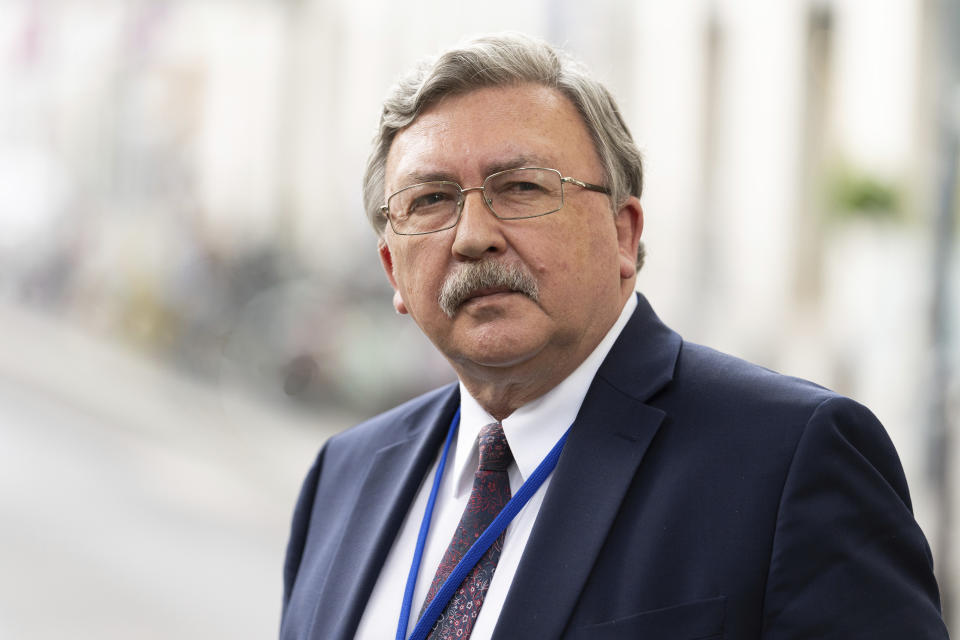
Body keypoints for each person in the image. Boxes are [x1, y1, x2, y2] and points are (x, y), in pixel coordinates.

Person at [280, 33, 949, 640]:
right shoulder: (345, 475)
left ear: (624, 234)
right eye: (430, 201)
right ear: (393, 268)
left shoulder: (788, 461)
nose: (474, 235)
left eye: (520, 187)